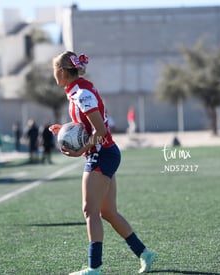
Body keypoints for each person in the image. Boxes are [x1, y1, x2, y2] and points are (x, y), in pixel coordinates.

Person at [49, 51, 156, 275]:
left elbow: (100, 130)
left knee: (90, 210)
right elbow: (88, 123)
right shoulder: (78, 90)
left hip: (101, 153)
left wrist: (81, 151)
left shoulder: (81, 92)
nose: (53, 74)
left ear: (61, 71)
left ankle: (94, 268)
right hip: (104, 152)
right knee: (108, 212)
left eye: (53, 70)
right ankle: (145, 254)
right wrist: (66, 130)